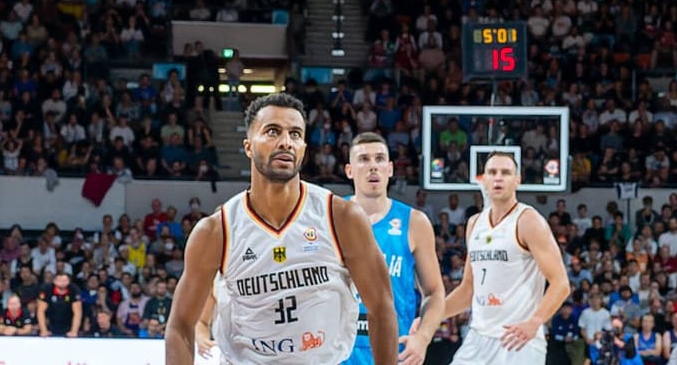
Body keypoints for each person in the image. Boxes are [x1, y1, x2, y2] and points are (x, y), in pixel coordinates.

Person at [164, 92, 399, 365]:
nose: (286, 142)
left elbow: (381, 307)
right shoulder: (216, 231)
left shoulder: (341, 218)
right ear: (248, 146)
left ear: (303, 149)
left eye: (296, 134)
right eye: (273, 131)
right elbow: (180, 325)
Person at [440, 152, 572, 365]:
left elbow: (561, 283)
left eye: (506, 172)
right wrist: (431, 318)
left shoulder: (528, 221)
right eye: (492, 172)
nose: (498, 177)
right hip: (478, 338)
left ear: (517, 180)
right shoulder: (474, 223)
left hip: (518, 341)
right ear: (484, 179)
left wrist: (535, 322)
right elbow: (467, 289)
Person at [344, 132, 446, 365]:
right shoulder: (331, 217)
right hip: (340, 352)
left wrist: (423, 337)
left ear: (390, 169)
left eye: (379, 159)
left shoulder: (415, 222)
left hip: (394, 352)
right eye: (364, 159)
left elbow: (435, 292)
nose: (373, 167)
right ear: (349, 170)